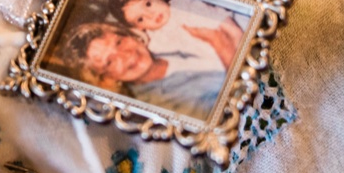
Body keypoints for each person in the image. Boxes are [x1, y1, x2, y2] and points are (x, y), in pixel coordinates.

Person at [59, 20, 233, 120]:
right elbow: (223, 116)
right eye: (110, 62)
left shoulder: (170, 43)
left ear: (130, 35)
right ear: (106, 80)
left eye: (119, 42)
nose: (125, 54)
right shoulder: (159, 105)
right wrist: (223, 47)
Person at [111, 0, 242, 76]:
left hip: (234, 38)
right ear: (138, 27)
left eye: (148, 4)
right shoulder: (155, 37)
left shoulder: (184, 5)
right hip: (216, 64)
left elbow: (224, 21)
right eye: (140, 19)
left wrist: (239, 43)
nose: (150, 15)